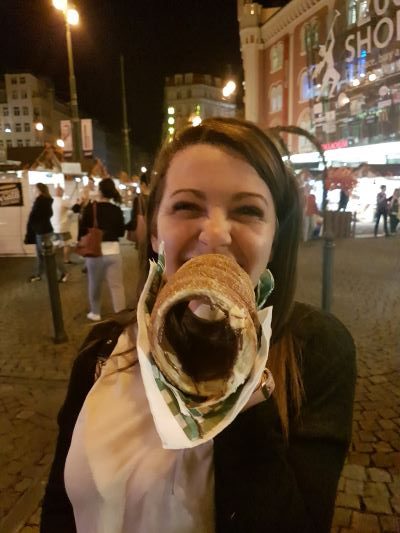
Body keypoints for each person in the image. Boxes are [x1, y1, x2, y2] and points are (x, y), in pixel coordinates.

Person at [41, 118, 356, 533]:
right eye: (187, 206)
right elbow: (60, 511)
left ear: (275, 236)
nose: (215, 234)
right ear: (154, 231)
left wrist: (244, 384)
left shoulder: (316, 350)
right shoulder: (100, 350)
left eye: (248, 210)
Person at [80, 177, 126, 321]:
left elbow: (82, 229)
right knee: (117, 286)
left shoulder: (91, 208)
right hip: (114, 252)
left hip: (95, 253)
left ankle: (95, 312)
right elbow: (120, 232)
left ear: (99, 191)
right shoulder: (117, 210)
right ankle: (121, 314)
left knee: (94, 283)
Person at [25, 182, 68, 283]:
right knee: (44, 255)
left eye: (34, 189)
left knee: (49, 255)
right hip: (45, 231)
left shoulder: (41, 201)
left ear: (39, 190)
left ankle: (64, 272)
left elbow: (34, 217)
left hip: (43, 232)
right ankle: (39, 274)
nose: (33, 190)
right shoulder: (47, 201)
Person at [51, 185, 73, 264]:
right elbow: (73, 209)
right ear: (61, 192)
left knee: (54, 243)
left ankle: (50, 259)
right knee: (67, 244)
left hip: (53, 227)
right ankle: (66, 259)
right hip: (63, 227)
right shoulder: (64, 201)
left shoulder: (51, 201)